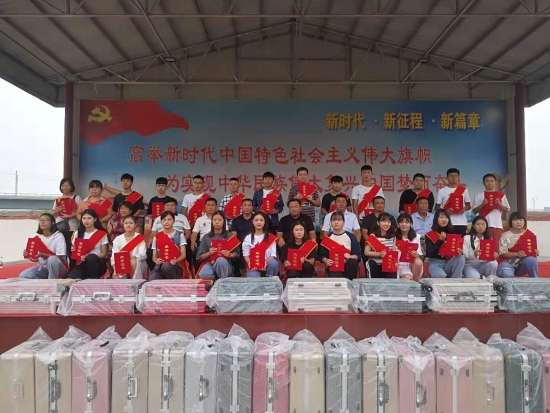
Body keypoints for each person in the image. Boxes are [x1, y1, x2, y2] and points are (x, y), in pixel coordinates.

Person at [147, 197, 191, 270]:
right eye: (167, 205)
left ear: (176, 206)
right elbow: (153, 233)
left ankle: (185, 270)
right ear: (164, 207)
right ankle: (155, 269)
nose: (170, 207)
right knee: (149, 251)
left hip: (177, 241)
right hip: (160, 241)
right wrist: (150, 242)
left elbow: (188, 232)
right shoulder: (158, 219)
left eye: (172, 205)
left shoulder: (182, 217)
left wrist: (181, 241)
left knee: (187, 248)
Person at [19, 213, 67, 279]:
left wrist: (42, 254)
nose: (42, 222)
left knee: (52, 259)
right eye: (41, 220)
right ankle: (45, 281)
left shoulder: (58, 236)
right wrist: (30, 256)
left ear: (52, 223)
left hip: (59, 268)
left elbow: (59, 257)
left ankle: (52, 282)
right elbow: (36, 259)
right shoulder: (37, 237)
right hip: (44, 268)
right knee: (24, 275)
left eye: (45, 220)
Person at [196, 211, 240, 280]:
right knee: (204, 274)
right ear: (212, 221)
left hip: (225, 264)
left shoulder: (230, 236)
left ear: (224, 222)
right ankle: (213, 282)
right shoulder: (206, 237)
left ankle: (222, 283)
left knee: (220, 260)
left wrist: (230, 255)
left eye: (219, 220)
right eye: (214, 220)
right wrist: (209, 253)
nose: (217, 222)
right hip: (210, 263)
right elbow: (199, 257)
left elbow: (237, 254)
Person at [318, 212, 361, 280]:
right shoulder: (327, 238)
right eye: (334, 220)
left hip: (348, 266)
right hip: (334, 265)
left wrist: (350, 256)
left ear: (343, 222)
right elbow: (322, 255)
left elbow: (357, 255)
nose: (336, 222)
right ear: (330, 223)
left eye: (339, 220)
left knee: (352, 263)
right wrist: (326, 260)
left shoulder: (351, 237)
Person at [67, 209, 109, 280]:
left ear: (95, 219)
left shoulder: (102, 234)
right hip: (81, 263)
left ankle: (94, 281)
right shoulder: (77, 233)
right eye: (84, 218)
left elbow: (103, 253)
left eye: (89, 218)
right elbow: (75, 252)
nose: (86, 221)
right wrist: (73, 250)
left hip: (96, 263)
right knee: (71, 278)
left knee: (91, 257)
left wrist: (88, 256)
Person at [425, 209, 465, 278]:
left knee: (460, 257)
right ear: (436, 219)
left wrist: (459, 252)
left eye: (446, 217)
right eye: (441, 217)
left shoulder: (453, 234)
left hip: (449, 263)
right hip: (435, 263)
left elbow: (456, 250)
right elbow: (429, 253)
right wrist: (440, 240)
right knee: (440, 275)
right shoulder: (430, 234)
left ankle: (456, 280)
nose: (444, 220)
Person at [472, 173, 510, 246]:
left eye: (492, 181)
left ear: (495, 182)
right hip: (482, 226)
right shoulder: (479, 196)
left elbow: (507, 210)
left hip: (497, 225)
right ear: (483, 183)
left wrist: (499, 204)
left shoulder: (501, 196)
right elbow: (474, 211)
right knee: (483, 247)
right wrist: (483, 204)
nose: (489, 183)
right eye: (487, 181)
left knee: (497, 246)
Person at [497, 212, 539, 278]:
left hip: (522, 264)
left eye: (520, 220)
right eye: (515, 220)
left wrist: (535, 252)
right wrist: (516, 254)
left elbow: (531, 249)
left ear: (524, 221)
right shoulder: (505, 235)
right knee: (506, 274)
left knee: (532, 260)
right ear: (511, 222)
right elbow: (503, 253)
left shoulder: (530, 234)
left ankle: (535, 280)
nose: (518, 222)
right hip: (508, 262)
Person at [150, 211, 189, 280]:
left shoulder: (180, 235)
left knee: (166, 266)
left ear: (173, 221)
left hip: (175, 265)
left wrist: (176, 260)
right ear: (161, 222)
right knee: (151, 280)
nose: (166, 222)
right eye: (164, 220)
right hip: (160, 266)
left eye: (169, 219)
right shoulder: (157, 237)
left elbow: (183, 255)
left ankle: (174, 282)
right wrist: (156, 260)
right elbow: (154, 256)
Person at [435, 168, 471, 236]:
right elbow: (437, 207)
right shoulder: (442, 191)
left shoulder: (464, 190)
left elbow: (468, 205)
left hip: (461, 222)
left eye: (455, 175)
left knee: (461, 241)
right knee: (447, 241)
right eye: (451, 175)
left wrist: (463, 209)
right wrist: (445, 212)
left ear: (458, 177)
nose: (453, 177)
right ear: (447, 177)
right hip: (447, 222)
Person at [242, 211, 278, 277]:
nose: (259, 222)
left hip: (267, 264)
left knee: (273, 263)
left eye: (261, 220)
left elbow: (273, 255)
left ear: (265, 222)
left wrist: (264, 263)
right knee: (254, 278)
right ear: (253, 222)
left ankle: (270, 280)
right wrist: (251, 264)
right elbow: (246, 255)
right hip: (254, 266)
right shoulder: (248, 238)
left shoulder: (270, 237)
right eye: (256, 220)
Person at [363, 212, 397, 279]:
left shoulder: (393, 237)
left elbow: (394, 252)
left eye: (388, 222)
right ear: (378, 223)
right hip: (375, 263)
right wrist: (379, 254)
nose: (386, 224)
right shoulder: (372, 236)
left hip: (388, 264)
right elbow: (366, 252)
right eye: (384, 221)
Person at [53, 178, 81, 252]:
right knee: (61, 248)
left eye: (67, 185)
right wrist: (55, 211)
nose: (64, 187)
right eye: (63, 186)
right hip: (60, 226)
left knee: (71, 247)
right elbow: (53, 213)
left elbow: (80, 212)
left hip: (72, 225)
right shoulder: (58, 199)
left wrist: (70, 216)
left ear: (71, 186)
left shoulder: (76, 198)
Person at [394, 213, 424, 280]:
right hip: (400, 265)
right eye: (401, 222)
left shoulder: (416, 237)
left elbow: (418, 255)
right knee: (408, 278)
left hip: (412, 264)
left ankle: (416, 282)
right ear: (398, 224)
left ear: (411, 224)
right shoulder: (394, 236)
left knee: (418, 261)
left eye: (407, 222)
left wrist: (416, 255)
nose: (404, 224)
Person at [231, 198, 254, 277]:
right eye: (245, 205)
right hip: (240, 245)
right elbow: (234, 235)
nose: (247, 207)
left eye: (249, 205)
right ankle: (238, 273)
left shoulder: (256, 219)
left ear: (252, 207)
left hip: (254, 245)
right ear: (242, 207)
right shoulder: (236, 220)